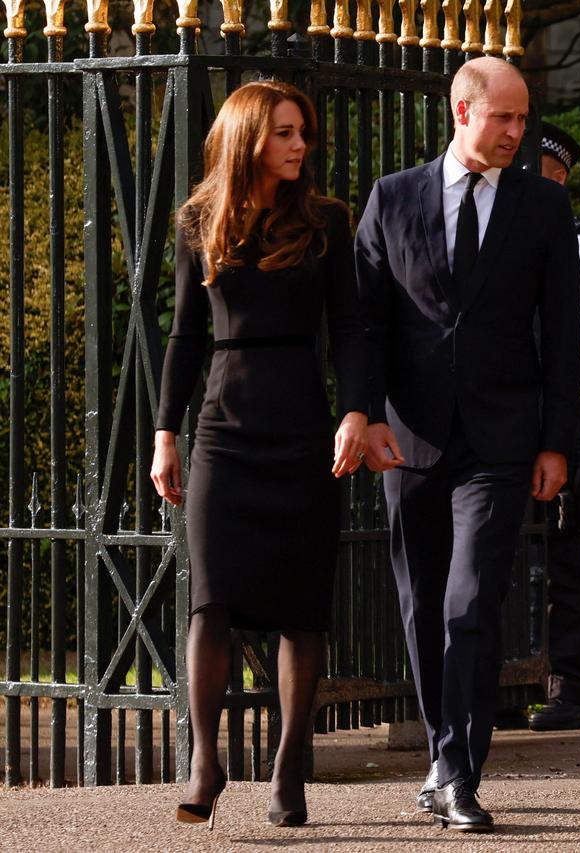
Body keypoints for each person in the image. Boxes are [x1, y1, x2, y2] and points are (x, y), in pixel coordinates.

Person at [355, 56, 580, 833]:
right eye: (504, 119)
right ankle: (445, 756)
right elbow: (365, 322)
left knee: (470, 599)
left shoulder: (543, 210)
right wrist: (361, 412)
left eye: (525, 120)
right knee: (421, 603)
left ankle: (457, 768)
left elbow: (558, 331)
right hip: (407, 435)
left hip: (502, 437)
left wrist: (558, 442)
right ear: (462, 111)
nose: (519, 133)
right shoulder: (392, 197)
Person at [150, 80, 368, 829]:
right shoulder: (199, 220)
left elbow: (352, 329)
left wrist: (355, 412)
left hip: (305, 427)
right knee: (210, 596)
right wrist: (164, 432)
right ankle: (204, 759)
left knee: (302, 607)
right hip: (223, 429)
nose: (299, 144)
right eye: (283, 132)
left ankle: (286, 767)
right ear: (248, 137)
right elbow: (182, 336)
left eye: (302, 131)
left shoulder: (328, 222)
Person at [527, 121, 580, 732]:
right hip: (497, 405)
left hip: (555, 405)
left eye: (554, 178)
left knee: (562, 550)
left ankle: (569, 687)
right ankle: (505, 680)